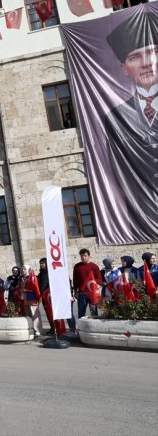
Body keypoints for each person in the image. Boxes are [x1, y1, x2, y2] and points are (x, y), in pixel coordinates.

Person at [104, 16, 158, 242]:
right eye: (135, 57)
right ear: (125, 68)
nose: (146, 63)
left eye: (152, 53)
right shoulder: (114, 116)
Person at [73, 248, 101, 318]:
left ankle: (95, 328)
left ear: (89, 256)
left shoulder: (94, 266)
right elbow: (75, 280)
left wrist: (91, 282)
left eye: (85, 255)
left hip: (92, 292)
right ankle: (81, 328)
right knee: (81, 313)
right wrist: (75, 291)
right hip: (82, 293)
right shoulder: (77, 266)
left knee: (94, 312)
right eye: (81, 256)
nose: (83, 257)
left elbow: (99, 279)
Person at [22, 266, 42, 336]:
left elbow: (36, 288)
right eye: (22, 269)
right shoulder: (23, 278)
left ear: (29, 270)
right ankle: (31, 329)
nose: (23, 270)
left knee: (35, 315)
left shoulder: (33, 278)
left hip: (32, 298)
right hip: (26, 299)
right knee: (28, 315)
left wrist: (39, 297)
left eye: (25, 269)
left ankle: (37, 330)